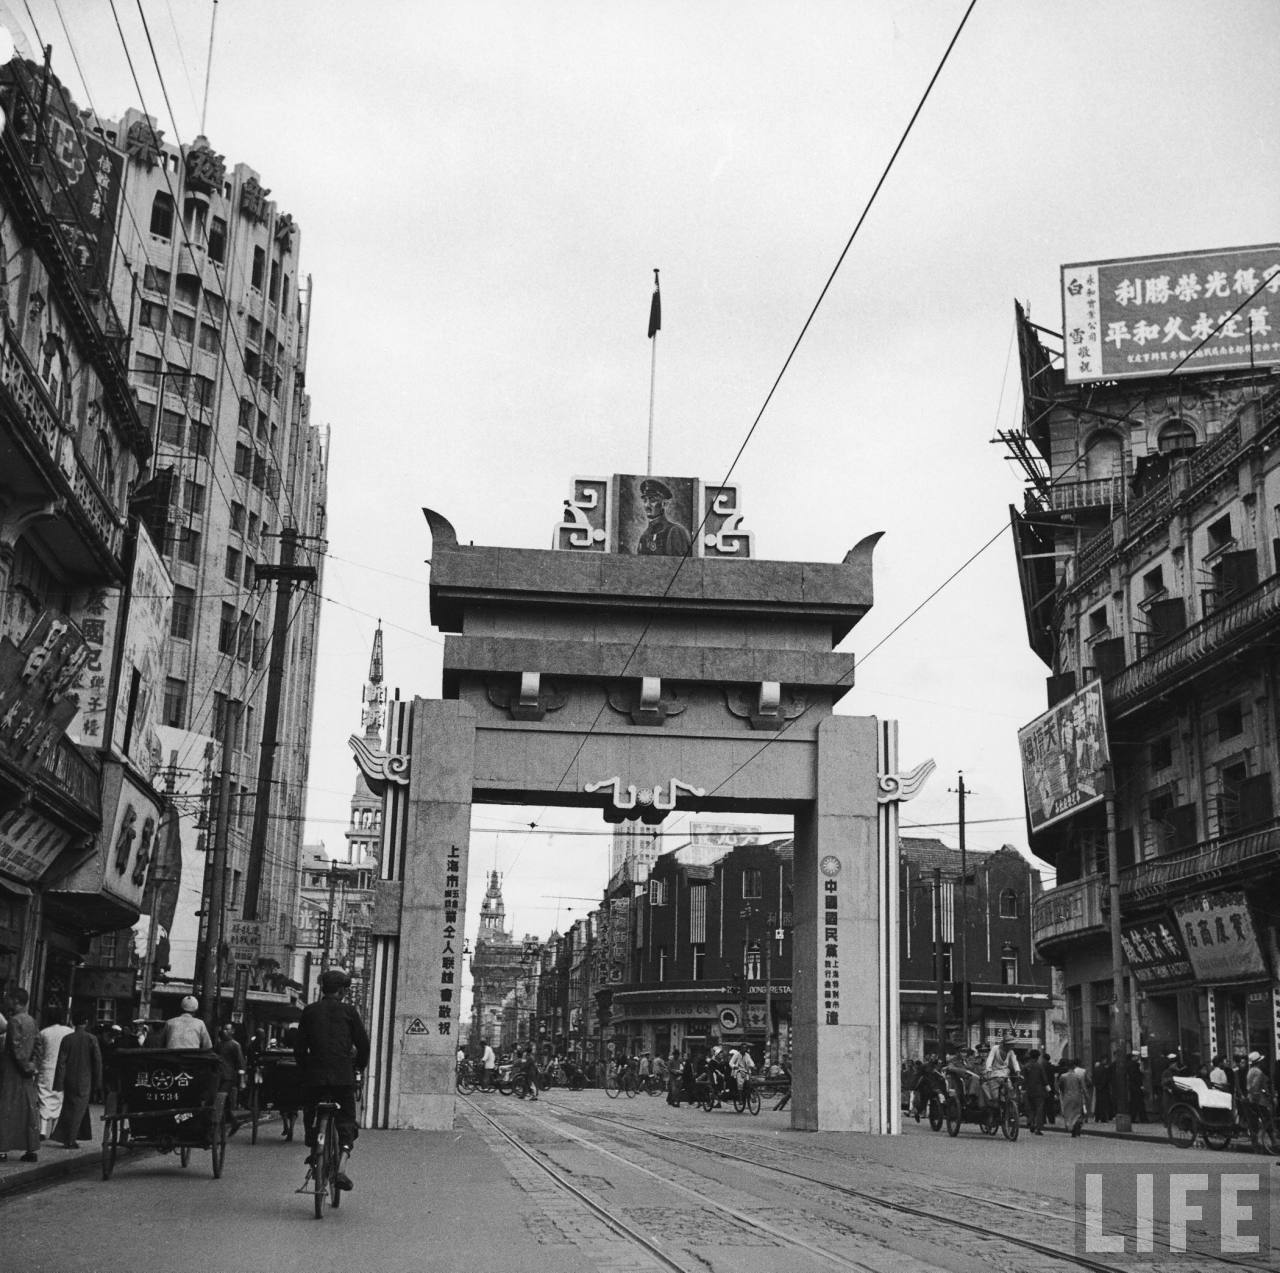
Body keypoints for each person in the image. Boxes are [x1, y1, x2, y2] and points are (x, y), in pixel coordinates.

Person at [296, 969, 369, 1193]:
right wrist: (358, 1067)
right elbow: (363, 1044)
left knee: (311, 1111)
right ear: (342, 991)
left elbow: (299, 1048)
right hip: (342, 1076)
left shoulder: (309, 1011)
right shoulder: (349, 1012)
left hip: (315, 1076)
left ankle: (313, 1145)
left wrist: (305, 1069)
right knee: (346, 1120)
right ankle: (341, 1167)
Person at [0, 987, 40, 1162]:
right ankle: (30, 1148)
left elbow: (16, 1048)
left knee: (6, 1109)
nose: (6, 1001)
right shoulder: (32, 1020)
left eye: (9, 999)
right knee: (29, 1110)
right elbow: (38, 1045)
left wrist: (24, 1065)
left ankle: (2, 1148)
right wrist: (33, 1065)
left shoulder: (14, 1021)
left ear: (16, 1001)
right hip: (27, 1074)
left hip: (11, 1072)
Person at [51, 1013, 103, 1149]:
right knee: (78, 1109)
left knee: (69, 1108)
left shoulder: (67, 1039)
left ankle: (68, 1136)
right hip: (85, 1079)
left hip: (69, 1078)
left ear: (73, 1022)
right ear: (86, 1022)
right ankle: (70, 1139)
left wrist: (59, 1082)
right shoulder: (91, 1039)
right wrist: (98, 1082)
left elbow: (61, 1062)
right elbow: (97, 1062)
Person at [35, 1005, 73, 1140]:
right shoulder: (69, 1031)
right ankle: (54, 1130)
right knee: (59, 1098)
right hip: (62, 1068)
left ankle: (42, 1129)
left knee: (44, 1098)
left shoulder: (43, 1032)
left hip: (46, 1067)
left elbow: (39, 1053)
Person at [635, 478, 693, 557]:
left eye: (652, 500)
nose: (647, 505)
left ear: (664, 504)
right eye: (645, 500)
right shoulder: (644, 536)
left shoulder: (675, 531)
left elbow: (681, 563)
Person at [216, 1024, 246, 1133]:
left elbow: (241, 1063)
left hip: (228, 1077)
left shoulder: (235, 1045)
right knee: (224, 1102)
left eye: (227, 1029)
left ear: (232, 1031)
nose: (224, 1031)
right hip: (218, 1076)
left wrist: (242, 1080)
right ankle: (233, 1122)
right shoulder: (219, 1045)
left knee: (221, 1099)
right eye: (223, 1029)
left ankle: (223, 1125)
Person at [982, 1033, 1022, 1108]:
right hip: (994, 1074)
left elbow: (1015, 1062)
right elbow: (990, 1059)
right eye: (1010, 1045)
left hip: (1005, 1074)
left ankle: (1010, 1108)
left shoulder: (1011, 1052)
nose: (1012, 1046)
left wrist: (1018, 1072)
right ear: (1005, 1044)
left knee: (1010, 1090)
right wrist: (988, 1069)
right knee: (995, 1097)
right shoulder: (995, 1048)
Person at [1057, 1056, 1092, 1137]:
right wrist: (1087, 1096)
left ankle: (1071, 1126)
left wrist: (1061, 1093)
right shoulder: (1079, 1076)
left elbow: (1060, 1086)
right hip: (1077, 1096)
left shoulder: (1063, 1076)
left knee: (1068, 1113)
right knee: (1077, 1113)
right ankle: (1077, 1125)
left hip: (1067, 1096)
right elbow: (1084, 1087)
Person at [1023, 1049, 1051, 1135]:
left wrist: (1023, 1089)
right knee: (1039, 1109)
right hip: (1039, 1091)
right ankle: (1038, 1128)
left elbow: (1023, 1079)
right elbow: (1044, 1079)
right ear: (1038, 1057)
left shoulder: (1026, 1066)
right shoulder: (1039, 1066)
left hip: (1029, 1090)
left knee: (1031, 1108)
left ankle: (1031, 1122)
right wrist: (1048, 1089)